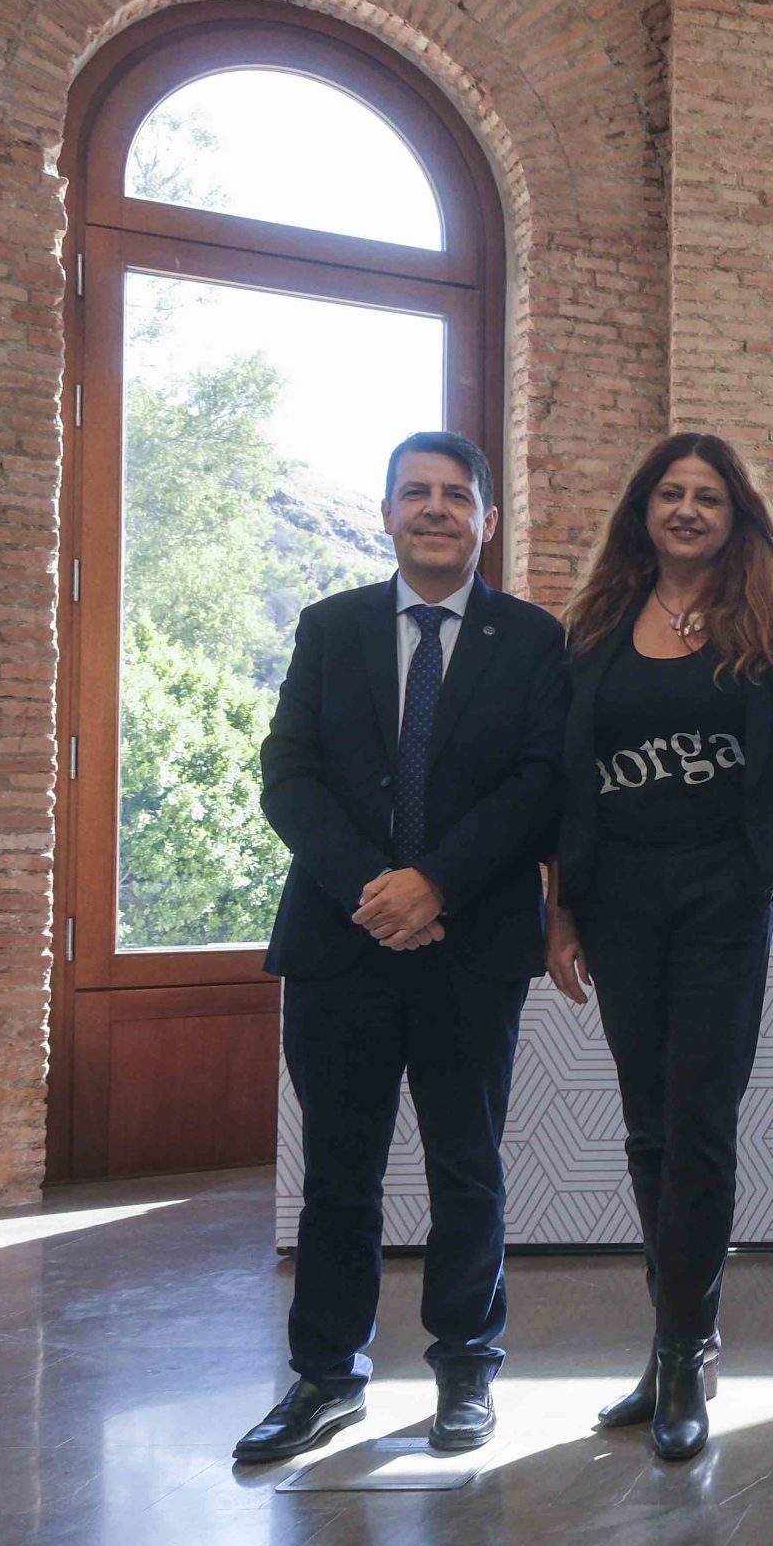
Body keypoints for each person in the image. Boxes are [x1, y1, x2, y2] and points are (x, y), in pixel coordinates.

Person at [239, 430, 567, 1465]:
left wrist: (437, 884)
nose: (435, 509)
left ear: (487, 521)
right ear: (386, 513)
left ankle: (466, 1369)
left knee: (467, 1165)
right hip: (340, 942)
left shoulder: (534, 639)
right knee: (339, 1174)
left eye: (456, 495)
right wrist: (375, 889)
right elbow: (287, 773)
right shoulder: (330, 627)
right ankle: (326, 1377)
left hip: (472, 943)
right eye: (416, 492)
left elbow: (541, 783)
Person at [543, 431, 773, 1461]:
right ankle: (671, 1338)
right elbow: (563, 780)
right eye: (670, 492)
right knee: (648, 1126)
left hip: (722, 902)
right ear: (643, 508)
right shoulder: (595, 624)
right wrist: (561, 911)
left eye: (709, 496)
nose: (688, 510)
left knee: (699, 1118)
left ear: (736, 514)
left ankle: (684, 1356)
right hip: (618, 900)